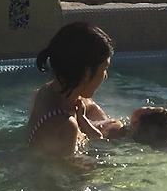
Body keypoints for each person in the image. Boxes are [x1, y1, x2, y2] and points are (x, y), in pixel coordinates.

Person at [26, 22, 120, 157]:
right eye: (104, 68)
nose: (105, 76)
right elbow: (69, 169)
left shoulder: (47, 91)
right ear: (87, 73)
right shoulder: (65, 127)